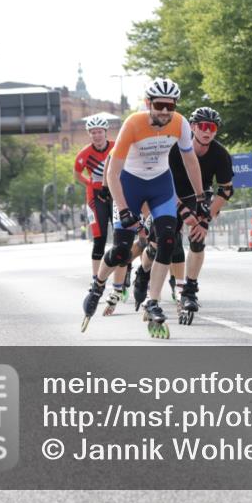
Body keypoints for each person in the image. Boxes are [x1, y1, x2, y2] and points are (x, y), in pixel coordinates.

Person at [80, 78, 206, 339]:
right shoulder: (133, 124)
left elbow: (190, 160)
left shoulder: (180, 123)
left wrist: (200, 195)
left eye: (170, 106)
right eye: (159, 105)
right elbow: (113, 173)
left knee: (168, 240)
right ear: (148, 103)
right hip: (129, 184)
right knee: (121, 252)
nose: (164, 111)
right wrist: (124, 208)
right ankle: (97, 285)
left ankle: (154, 300)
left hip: (160, 183)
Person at [168, 106, 234, 324]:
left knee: (198, 238)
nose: (207, 131)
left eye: (212, 128)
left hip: (198, 196)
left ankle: (190, 289)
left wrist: (205, 220)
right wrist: (182, 211)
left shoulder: (220, 154)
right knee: (165, 240)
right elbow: (163, 185)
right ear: (193, 127)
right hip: (171, 194)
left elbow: (226, 190)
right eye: (203, 127)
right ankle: (142, 277)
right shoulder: (175, 148)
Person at [74, 115, 115, 279]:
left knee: (122, 236)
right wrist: (90, 184)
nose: (97, 135)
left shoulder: (116, 146)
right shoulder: (83, 154)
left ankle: (124, 273)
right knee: (100, 238)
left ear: (105, 132)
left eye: (99, 132)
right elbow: (77, 175)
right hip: (96, 196)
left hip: (115, 192)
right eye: (93, 133)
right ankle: (96, 279)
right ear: (89, 134)